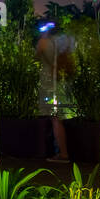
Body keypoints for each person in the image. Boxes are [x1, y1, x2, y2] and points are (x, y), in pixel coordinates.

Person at [36, 23, 76, 162]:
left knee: (56, 118)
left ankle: (63, 153)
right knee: (61, 117)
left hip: (50, 83)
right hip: (62, 82)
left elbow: (36, 57)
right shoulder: (65, 42)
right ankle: (63, 151)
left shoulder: (43, 42)